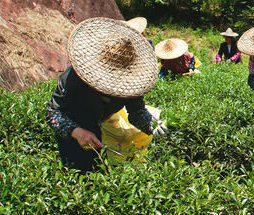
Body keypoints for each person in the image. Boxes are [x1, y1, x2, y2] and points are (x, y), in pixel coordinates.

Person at [46, 17, 167, 172]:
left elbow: (136, 111)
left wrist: (151, 125)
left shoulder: (131, 78)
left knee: (101, 171)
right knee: (78, 172)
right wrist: (76, 132)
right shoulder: (76, 75)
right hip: (74, 125)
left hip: (102, 124)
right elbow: (53, 112)